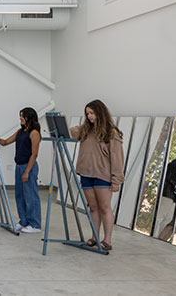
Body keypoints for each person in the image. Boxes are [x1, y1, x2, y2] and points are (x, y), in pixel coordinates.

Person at [70, 99, 125, 251]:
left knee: (104, 207)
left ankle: (107, 240)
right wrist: (85, 125)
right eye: (87, 114)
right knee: (93, 208)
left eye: (92, 113)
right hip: (86, 173)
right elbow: (71, 132)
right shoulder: (86, 130)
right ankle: (95, 236)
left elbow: (117, 158)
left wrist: (116, 180)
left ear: (100, 113)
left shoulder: (111, 133)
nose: (89, 116)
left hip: (103, 175)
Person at [0, 107, 42, 233]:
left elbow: (34, 154)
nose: (20, 118)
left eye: (22, 116)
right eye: (20, 115)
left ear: (29, 117)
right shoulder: (20, 132)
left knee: (30, 195)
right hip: (19, 166)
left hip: (28, 166)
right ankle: (23, 221)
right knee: (19, 195)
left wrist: (27, 171)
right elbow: (4, 142)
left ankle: (35, 224)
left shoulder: (34, 133)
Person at [155, 152, 176, 241]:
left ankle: (157, 233)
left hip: (174, 196)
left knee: (168, 217)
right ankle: (154, 233)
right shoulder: (174, 164)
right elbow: (168, 177)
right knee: (161, 215)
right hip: (167, 193)